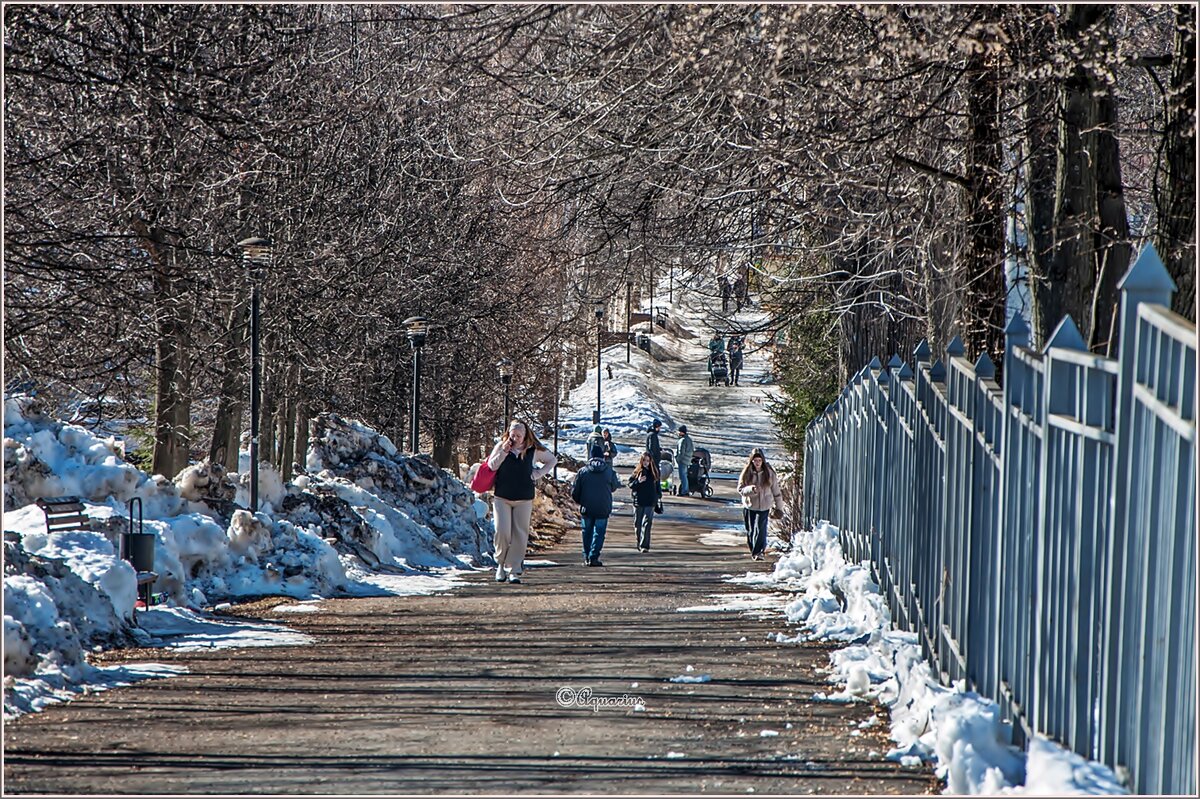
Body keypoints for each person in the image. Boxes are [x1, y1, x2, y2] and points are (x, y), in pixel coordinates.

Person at [487, 419, 557, 583]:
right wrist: (503, 452)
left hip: (524, 498)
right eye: (513, 435)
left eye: (519, 435)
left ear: (525, 435)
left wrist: (537, 474)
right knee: (502, 531)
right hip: (502, 497)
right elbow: (491, 466)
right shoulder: (502, 446)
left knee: (520, 534)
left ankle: (513, 569)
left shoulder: (533, 450)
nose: (515, 438)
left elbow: (552, 460)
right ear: (508, 434)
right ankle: (500, 564)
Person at [571, 443, 620, 566]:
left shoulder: (582, 472)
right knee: (599, 533)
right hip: (603, 507)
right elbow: (614, 486)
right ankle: (594, 556)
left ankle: (586, 556)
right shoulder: (609, 471)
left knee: (586, 532)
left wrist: (581, 501)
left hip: (587, 507)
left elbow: (575, 491)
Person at [738, 447, 783, 560]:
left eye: (759, 460)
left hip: (764, 506)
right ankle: (754, 549)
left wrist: (779, 508)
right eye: (755, 460)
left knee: (761, 529)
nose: (757, 463)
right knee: (751, 530)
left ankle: (759, 552)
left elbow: (776, 492)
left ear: (762, 460)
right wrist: (751, 489)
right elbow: (740, 489)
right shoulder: (747, 472)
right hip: (750, 506)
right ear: (751, 461)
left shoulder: (769, 473)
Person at [627, 451, 663, 552]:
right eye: (644, 461)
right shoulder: (637, 472)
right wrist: (638, 481)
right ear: (641, 461)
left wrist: (658, 496)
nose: (646, 463)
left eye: (648, 461)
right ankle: (639, 542)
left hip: (650, 501)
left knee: (647, 523)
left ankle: (644, 545)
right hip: (638, 501)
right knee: (638, 524)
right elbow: (630, 485)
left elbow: (657, 486)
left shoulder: (654, 472)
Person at [674, 425, 695, 496]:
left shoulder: (682, 440)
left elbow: (681, 452)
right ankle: (685, 490)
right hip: (687, 460)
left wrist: (677, 459)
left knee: (682, 476)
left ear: (682, 432)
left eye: (679, 431)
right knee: (685, 475)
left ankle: (684, 491)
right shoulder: (689, 439)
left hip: (682, 461)